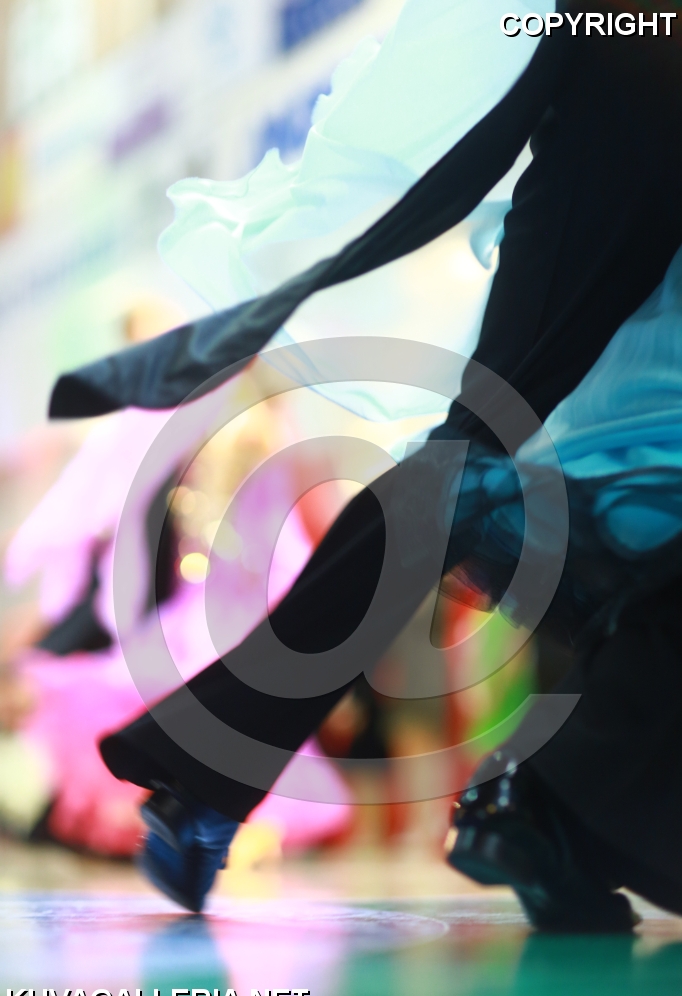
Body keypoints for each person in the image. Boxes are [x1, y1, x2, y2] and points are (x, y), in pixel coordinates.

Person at [46, 0, 682, 927]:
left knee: (529, 463)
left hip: (628, 82)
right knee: (486, 457)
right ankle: (540, 810)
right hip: (638, 76)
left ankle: (547, 811)